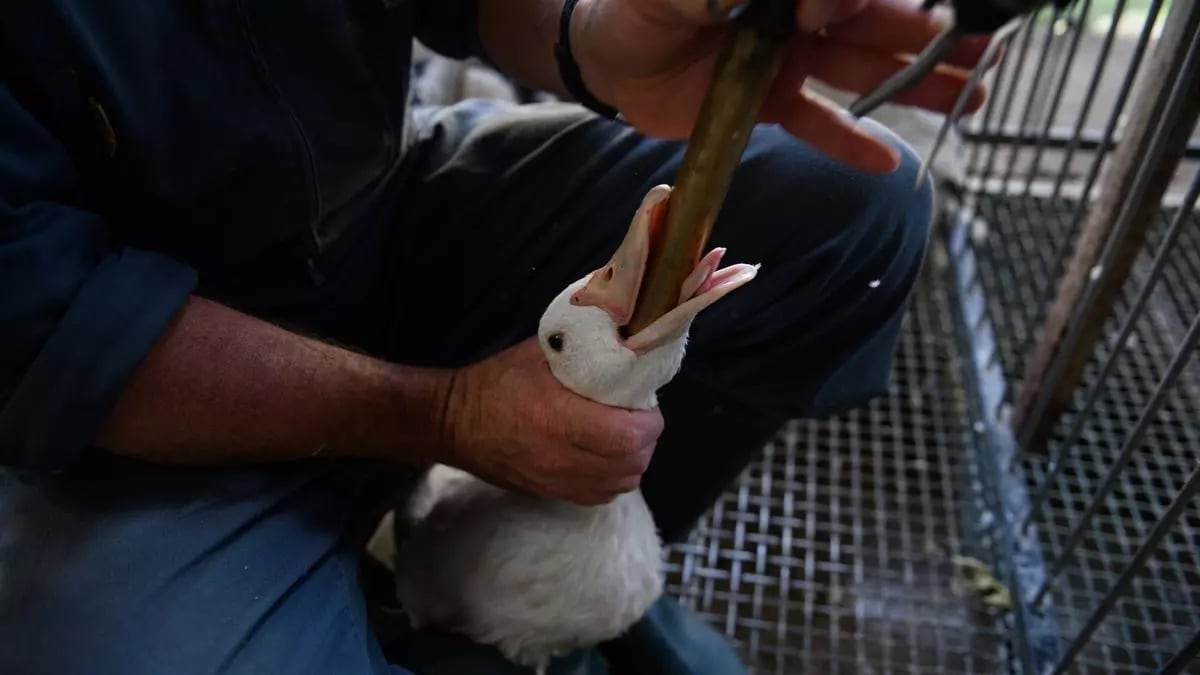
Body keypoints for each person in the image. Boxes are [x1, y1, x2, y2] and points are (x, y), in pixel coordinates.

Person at [0, 1, 988, 673]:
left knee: (858, 196)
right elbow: (49, 326)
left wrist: (594, 37)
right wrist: (448, 414)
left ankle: (576, 579)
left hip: (369, 219)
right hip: (109, 396)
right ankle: (434, 631)